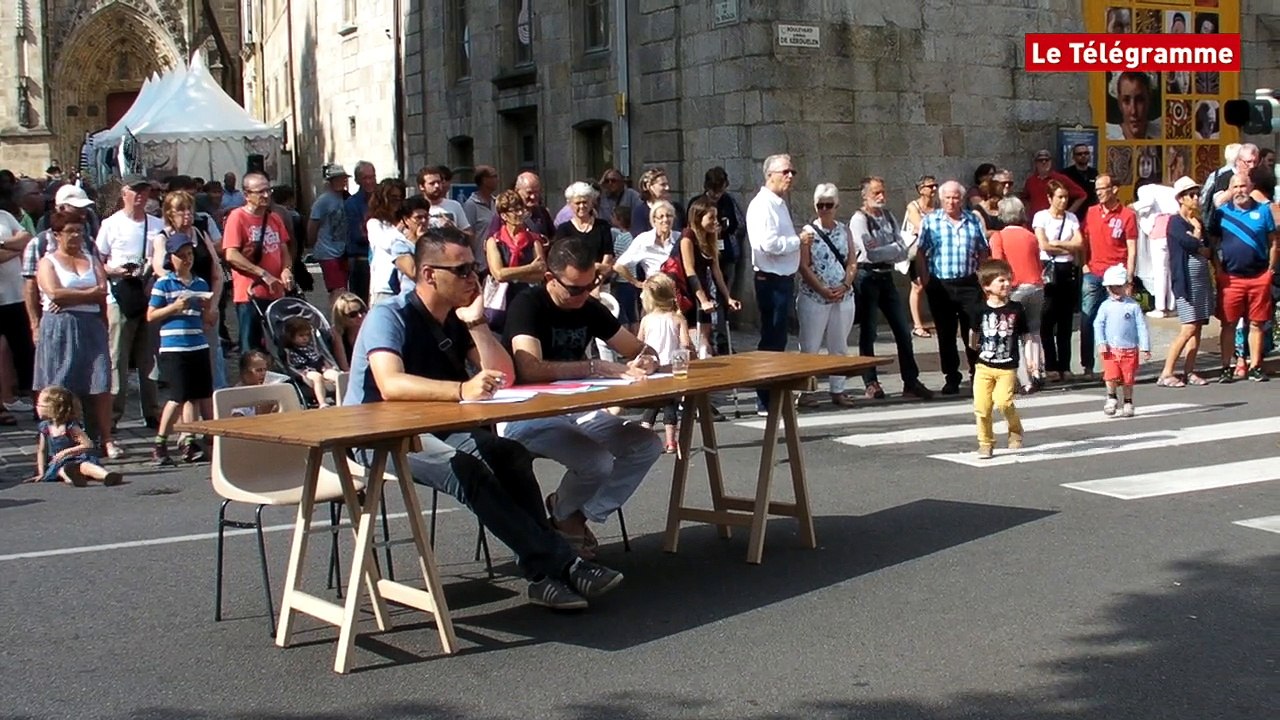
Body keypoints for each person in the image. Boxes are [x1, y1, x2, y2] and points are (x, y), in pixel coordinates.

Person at [345, 225, 624, 610]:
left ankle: (547, 574)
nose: (473, 277)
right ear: (429, 274)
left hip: (439, 427)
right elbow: (390, 383)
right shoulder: (389, 315)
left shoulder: (456, 319)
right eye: (461, 271)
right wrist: (461, 390)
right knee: (468, 471)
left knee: (510, 455)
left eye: (474, 267)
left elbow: (505, 375)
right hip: (380, 436)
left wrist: (476, 325)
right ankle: (561, 565)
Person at [500, 234, 663, 557]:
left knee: (647, 444)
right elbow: (529, 368)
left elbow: (637, 348)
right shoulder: (528, 305)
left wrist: (648, 358)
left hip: (576, 409)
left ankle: (573, 513)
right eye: (574, 289)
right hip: (527, 413)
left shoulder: (589, 305)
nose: (582, 295)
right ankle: (567, 515)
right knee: (597, 461)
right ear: (550, 278)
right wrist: (594, 367)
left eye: (590, 286)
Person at [34, 210, 114, 456]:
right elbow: (54, 293)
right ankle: (62, 440)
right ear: (57, 234)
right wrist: (87, 293)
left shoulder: (90, 259)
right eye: (71, 231)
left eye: (80, 230)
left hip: (91, 324)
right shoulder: (48, 262)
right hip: (60, 326)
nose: (77, 236)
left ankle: (106, 439)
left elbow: (103, 290)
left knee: (99, 381)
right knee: (62, 383)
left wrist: (76, 296)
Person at [851, 177, 933, 400]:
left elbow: (902, 248)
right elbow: (870, 252)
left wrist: (888, 248)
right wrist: (892, 249)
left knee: (902, 330)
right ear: (865, 195)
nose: (881, 196)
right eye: (876, 192)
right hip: (867, 276)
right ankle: (871, 381)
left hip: (887, 276)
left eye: (883, 192)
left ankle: (911, 380)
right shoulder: (859, 219)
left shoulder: (888, 216)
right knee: (869, 331)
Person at [95, 174, 161, 435]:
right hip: (120, 295)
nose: (140, 196)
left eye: (144, 192)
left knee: (150, 357)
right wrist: (116, 270)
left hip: (149, 294)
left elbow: (162, 257)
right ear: (124, 194)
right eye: (135, 192)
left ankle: (152, 411)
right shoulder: (111, 224)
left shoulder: (156, 224)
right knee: (117, 357)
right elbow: (98, 261)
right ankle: (113, 413)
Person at [746, 154, 812, 413]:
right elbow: (767, 244)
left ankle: (773, 394)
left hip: (782, 277)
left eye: (792, 172)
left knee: (778, 339)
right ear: (770, 174)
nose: (790, 176)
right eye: (785, 171)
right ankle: (765, 398)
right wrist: (799, 240)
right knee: (772, 340)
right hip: (771, 279)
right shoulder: (763, 205)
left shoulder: (778, 203)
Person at [146, 234, 215, 465]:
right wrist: (174, 307)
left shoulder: (200, 283)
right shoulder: (164, 283)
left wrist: (207, 310)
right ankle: (160, 441)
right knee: (177, 397)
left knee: (195, 396)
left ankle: (189, 440)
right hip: (174, 347)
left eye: (190, 255)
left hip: (197, 344)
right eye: (182, 256)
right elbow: (151, 315)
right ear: (171, 258)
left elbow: (206, 319)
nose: (187, 260)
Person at [916, 180, 989, 395]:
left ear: (962, 199)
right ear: (941, 199)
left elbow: (983, 249)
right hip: (941, 284)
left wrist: (983, 276)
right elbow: (921, 250)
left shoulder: (972, 220)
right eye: (947, 197)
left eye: (955, 197)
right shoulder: (930, 221)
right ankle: (951, 376)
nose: (951, 201)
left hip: (968, 282)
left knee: (975, 329)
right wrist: (925, 278)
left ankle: (977, 371)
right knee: (946, 332)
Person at [1207, 172, 1278, 383]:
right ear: (1230, 189)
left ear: (1251, 187)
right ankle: (1226, 367)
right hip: (1231, 278)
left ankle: (1255, 366)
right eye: (1235, 187)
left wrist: (1270, 270)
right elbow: (1212, 242)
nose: (1239, 191)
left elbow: (1273, 242)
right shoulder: (1221, 214)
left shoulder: (1263, 211)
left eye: (1243, 186)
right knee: (1228, 324)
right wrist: (1218, 269)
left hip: (1258, 276)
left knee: (1256, 323)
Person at [796, 183, 857, 407]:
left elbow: (852, 261)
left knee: (839, 344)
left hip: (842, 294)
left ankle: (838, 389)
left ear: (836, 206)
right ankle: (807, 391)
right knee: (810, 345)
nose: (824, 209)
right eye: (820, 205)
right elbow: (803, 265)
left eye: (828, 205)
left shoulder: (844, 230)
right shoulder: (808, 233)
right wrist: (821, 288)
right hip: (815, 295)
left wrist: (846, 284)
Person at [222, 172, 293, 353]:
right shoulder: (237, 217)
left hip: (275, 293)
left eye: (268, 190)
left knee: (279, 344)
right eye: (260, 192)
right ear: (247, 195)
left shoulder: (274, 218)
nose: (266, 195)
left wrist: (286, 269)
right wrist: (262, 273)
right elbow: (231, 254)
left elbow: (283, 249)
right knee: (251, 347)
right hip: (250, 294)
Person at [968, 259, 1029, 460]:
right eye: (1000, 280)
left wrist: (1031, 360)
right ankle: (985, 443)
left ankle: (1015, 429)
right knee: (982, 407)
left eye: (1008, 280)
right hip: (984, 366)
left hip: (1007, 367)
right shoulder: (979, 309)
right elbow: (974, 333)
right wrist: (973, 346)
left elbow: (1025, 336)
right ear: (987, 286)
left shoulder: (1016, 309)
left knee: (1003, 402)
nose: (1006, 284)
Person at [1079, 174, 1137, 379]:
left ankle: (1115, 366)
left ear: (1114, 189)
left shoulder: (1127, 215)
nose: (1099, 193)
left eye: (1103, 189)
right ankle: (1087, 365)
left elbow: (1132, 247)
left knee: (1117, 321)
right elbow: (1083, 240)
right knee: (1087, 319)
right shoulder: (1091, 212)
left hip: (1117, 275)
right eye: (1097, 190)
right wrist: (1084, 264)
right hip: (1094, 273)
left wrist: (1129, 278)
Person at [1158, 177, 1214, 387]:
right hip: (1186, 282)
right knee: (1188, 327)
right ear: (1181, 199)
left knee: (1198, 326)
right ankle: (1167, 371)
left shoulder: (1198, 221)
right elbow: (1189, 243)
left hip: (1201, 282)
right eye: (1191, 195)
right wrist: (1196, 236)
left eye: (1197, 194)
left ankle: (1189, 370)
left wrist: (1199, 238)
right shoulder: (1175, 222)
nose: (1196, 198)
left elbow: (1207, 250)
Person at [989, 196, 1047, 393]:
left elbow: (998, 266)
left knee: (1013, 335)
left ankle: (1025, 380)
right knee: (1033, 332)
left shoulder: (999, 237)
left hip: (1014, 288)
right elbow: (1038, 264)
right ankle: (1037, 370)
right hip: (1037, 286)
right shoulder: (1031, 236)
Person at [1032, 180, 1085, 382]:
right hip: (1049, 269)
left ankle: (1065, 365)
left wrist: (1060, 244)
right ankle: (1051, 365)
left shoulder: (1071, 218)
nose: (1063, 201)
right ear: (1050, 198)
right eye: (1059, 197)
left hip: (1067, 269)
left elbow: (1079, 243)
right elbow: (1044, 245)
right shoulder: (1041, 217)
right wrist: (1067, 246)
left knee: (1065, 321)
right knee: (1047, 318)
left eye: (1065, 197)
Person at [679, 196, 740, 359]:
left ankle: (706, 365)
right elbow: (689, 270)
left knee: (704, 339)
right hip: (686, 291)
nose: (716, 221)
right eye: (711, 217)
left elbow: (716, 270)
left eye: (716, 217)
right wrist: (702, 299)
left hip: (702, 288)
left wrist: (728, 297)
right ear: (698, 219)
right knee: (691, 341)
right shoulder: (688, 236)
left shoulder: (709, 237)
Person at [636, 273, 691, 453]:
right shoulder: (677, 319)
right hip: (672, 369)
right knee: (670, 406)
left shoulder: (646, 320)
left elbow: (639, 344)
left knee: (652, 406)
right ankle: (671, 442)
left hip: (652, 369)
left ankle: (644, 438)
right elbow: (685, 344)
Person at [28, 385, 122, 486]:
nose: (37, 407)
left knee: (85, 466)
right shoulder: (45, 427)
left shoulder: (70, 426)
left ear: (53, 407)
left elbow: (88, 444)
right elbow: (41, 451)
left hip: (78, 457)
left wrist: (66, 452)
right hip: (59, 462)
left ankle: (107, 476)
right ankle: (74, 478)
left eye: (40, 405)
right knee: (61, 470)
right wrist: (41, 472)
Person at [484, 190, 548, 334]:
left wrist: (511, 274)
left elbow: (540, 273)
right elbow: (499, 274)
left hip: (527, 298)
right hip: (502, 301)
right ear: (504, 215)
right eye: (515, 210)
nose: (520, 214)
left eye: (521, 209)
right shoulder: (494, 241)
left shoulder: (533, 239)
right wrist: (529, 268)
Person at [1093, 265, 1151, 417]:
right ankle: (1111, 397)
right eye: (1112, 288)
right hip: (1110, 349)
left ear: (1126, 286)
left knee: (1128, 378)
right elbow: (1098, 324)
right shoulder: (1105, 306)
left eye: (1119, 287)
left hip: (1129, 348)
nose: (1116, 291)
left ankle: (1128, 401)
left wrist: (1145, 346)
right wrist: (1101, 342)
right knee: (1110, 376)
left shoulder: (1133, 306)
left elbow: (1141, 326)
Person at [309, 164, 352, 305]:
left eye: (343, 179)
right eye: (338, 179)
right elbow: (313, 223)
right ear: (331, 181)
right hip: (327, 251)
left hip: (343, 250)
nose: (342, 182)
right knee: (337, 289)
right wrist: (312, 244)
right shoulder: (323, 201)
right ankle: (336, 320)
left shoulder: (346, 198)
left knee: (343, 288)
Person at [365, 179, 414, 306]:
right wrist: (402, 232)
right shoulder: (375, 223)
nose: (397, 202)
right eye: (393, 198)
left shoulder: (406, 221)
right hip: (385, 285)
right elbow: (387, 244)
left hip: (406, 285)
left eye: (400, 198)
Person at [902, 175, 939, 338]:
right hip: (918, 252)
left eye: (935, 186)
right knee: (918, 286)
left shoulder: (938, 206)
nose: (934, 189)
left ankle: (937, 320)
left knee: (936, 286)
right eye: (930, 186)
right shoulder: (913, 206)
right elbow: (920, 225)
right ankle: (917, 325)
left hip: (936, 252)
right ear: (921, 189)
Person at [282, 316, 339, 406]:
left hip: (320, 367)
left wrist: (328, 366)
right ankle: (322, 402)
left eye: (307, 335)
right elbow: (291, 366)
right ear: (291, 337)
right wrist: (300, 374)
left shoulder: (313, 346)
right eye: (301, 335)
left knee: (336, 375)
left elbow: (321, 357)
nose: (305, 338)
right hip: (305, 371)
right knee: (317, 377)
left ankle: (341, 400)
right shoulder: (289, 351)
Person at [230, 350, 280, 417]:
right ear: (245, 373)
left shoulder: (264, 389)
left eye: (265, 369)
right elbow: (237, 420)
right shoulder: (237, 394)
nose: (263, 373)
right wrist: (263, 411)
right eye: (259, 370)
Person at [330, 292, 367, 372]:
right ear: (341, 317)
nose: (360, 316)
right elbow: (344, 367)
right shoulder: (338, 334)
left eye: (361, 311)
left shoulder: (370, 329)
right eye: (353, 314)